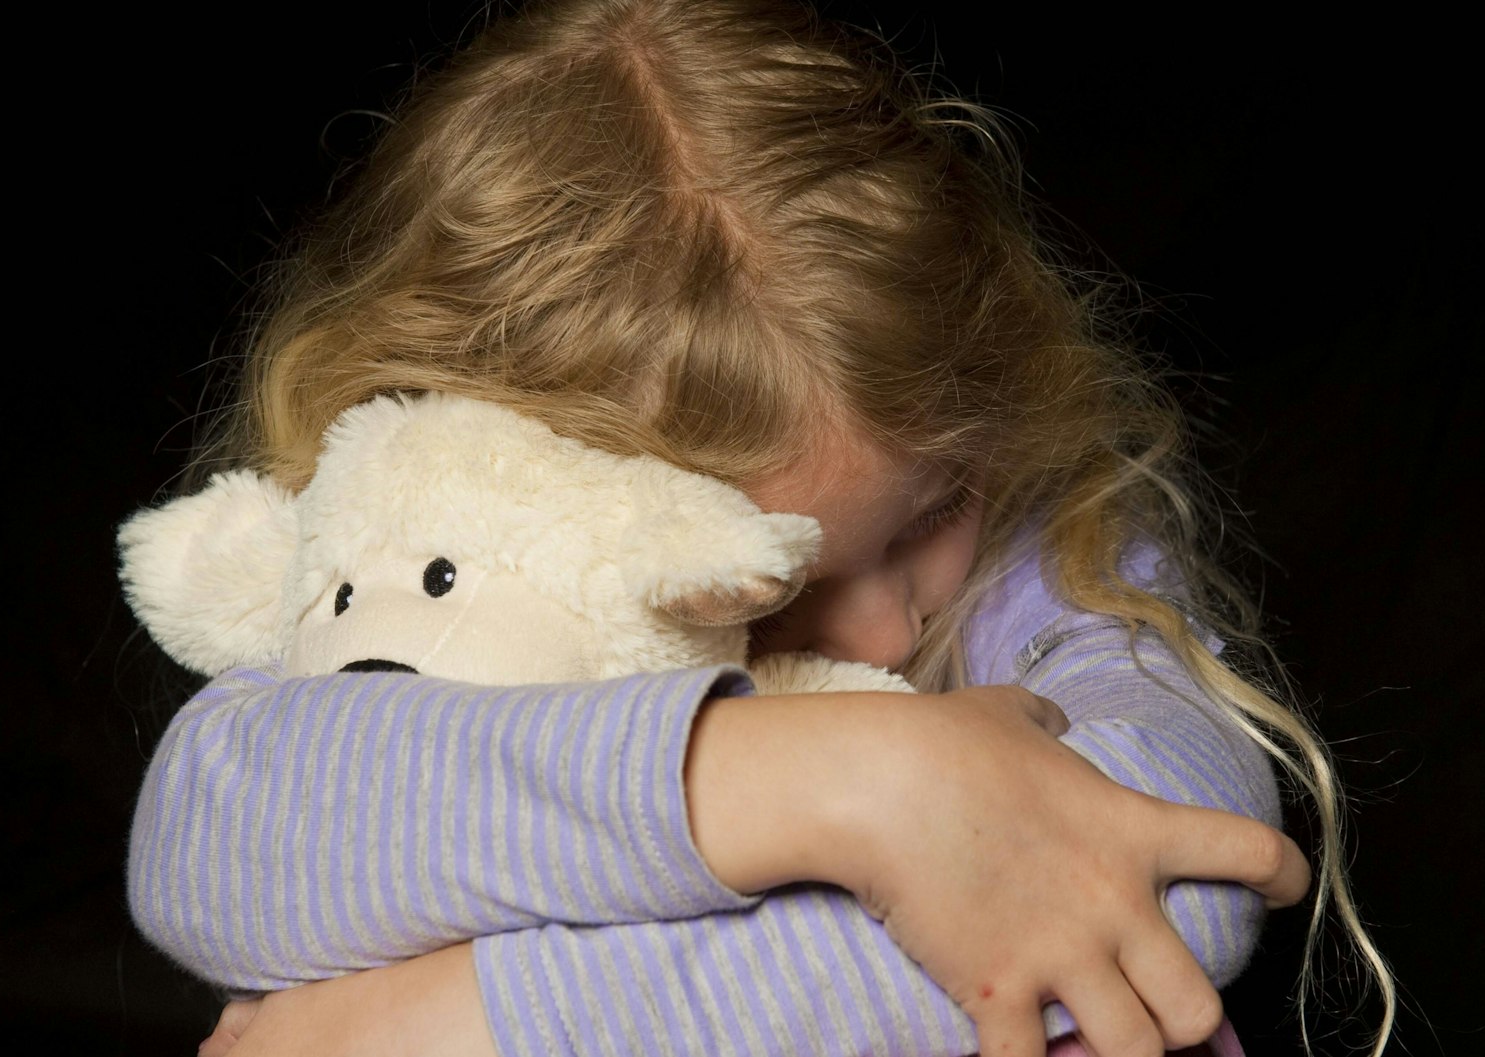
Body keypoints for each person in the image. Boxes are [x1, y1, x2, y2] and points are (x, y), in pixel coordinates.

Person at [124, 1, 1395, 1054]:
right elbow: (214, 841)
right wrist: (833, 784)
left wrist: (465, 1022)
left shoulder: (1044, 546)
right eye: (782, 589)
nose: (887, 627)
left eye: (931, 512)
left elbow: (1187, 871)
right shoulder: (418, 585)